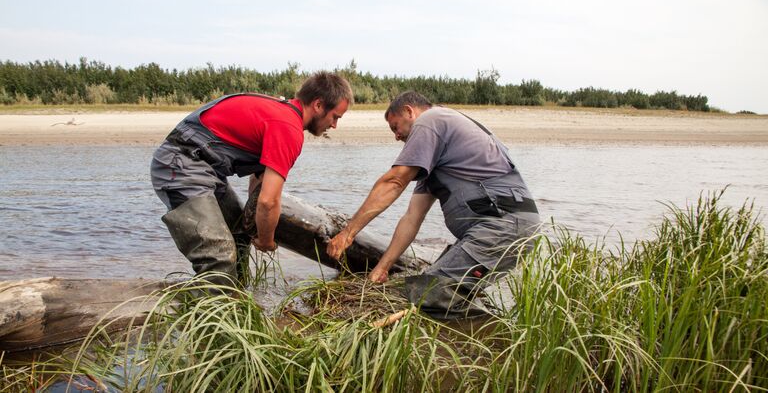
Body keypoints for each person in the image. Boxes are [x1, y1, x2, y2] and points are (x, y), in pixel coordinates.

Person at [326, 91, 539, 319]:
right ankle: (482, 342)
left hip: (502, 227)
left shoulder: (430, 121)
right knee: (444, 295)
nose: (396, 136)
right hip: (508, 228)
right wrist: (382, 269)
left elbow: (395, 181)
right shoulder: (437, 152)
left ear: (410, 111)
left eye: (395, 127)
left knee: (427, 294)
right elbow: (411, 218)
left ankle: (490, 339)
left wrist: (347, 233)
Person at [151, 72, 353, 286]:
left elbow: (259, 189)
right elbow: (268, 201)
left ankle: (237, 299)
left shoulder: (281, 112)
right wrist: (266, 240)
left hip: (204, 168)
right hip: (179, 164)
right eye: (335, 117)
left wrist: (255, 226)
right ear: (318, 105)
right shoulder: (288, 128)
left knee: (239, 232)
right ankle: (213, 315)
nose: (334, 125)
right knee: (217, 255)